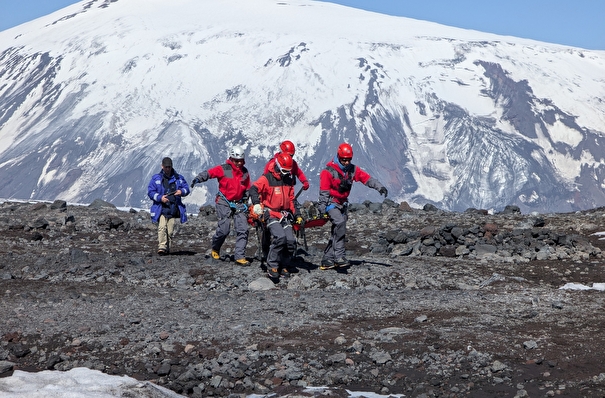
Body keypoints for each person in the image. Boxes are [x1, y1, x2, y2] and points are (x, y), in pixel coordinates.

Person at [318, 143, 388, 269]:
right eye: (344, 160)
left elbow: (366, 179)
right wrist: (322, 208)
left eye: (348, 160)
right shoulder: (328, 172)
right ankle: (339, 257)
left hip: (343, 204)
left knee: (337, 231)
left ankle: (327, 259)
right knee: (339, 224)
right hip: (331, 203)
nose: (346, 162)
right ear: (339, 157)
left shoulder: (352, 170)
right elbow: (324, 191)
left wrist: (379, 187)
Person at [191, 145, 251, 266]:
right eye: (236, 160)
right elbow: (210, 173)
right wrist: (198, 178)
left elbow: (247, 187)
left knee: (243, 229)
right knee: (224, 229)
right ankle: (215, 248)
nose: (238, 163)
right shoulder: (226, 169)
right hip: (224, 202)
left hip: (239, 203)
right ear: (231, 158)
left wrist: (247, 199)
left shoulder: (244, 172)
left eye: (240, 161)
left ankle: (239, 256)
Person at [250, 153, 299, 279]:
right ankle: (272, 265)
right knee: (280, 238)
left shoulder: (288, 180)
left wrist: (297, 214)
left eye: (288, 172)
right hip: (271, 213)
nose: (285, 174)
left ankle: (284, 265)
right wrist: (256, 204)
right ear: (277, 166)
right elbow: (253, 189)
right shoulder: (267, 178)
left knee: (291, 241)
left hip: (285, 215)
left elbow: (292, 200)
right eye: (283, 171)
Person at [147, 157, 190, 255]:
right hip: (161, 208)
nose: (167, 169)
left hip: (173, 208)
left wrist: (181, 191)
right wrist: (160, 198)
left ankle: (167, 248)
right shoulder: (156, 178)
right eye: (166, 167)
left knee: (170, 231)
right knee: (162, 227)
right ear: (162, 166)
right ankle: (162, 246)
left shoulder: (178, 178)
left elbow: (186, 189)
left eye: (169, 167)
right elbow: (150, 192)